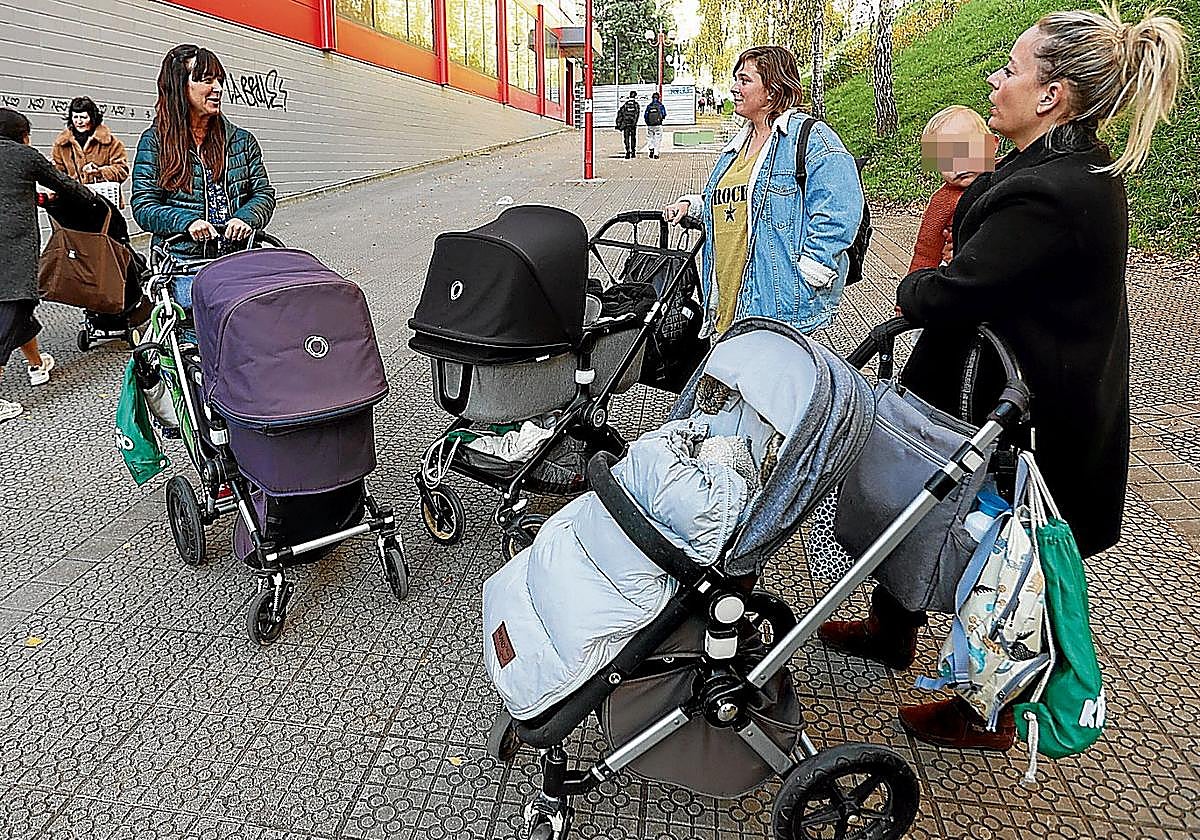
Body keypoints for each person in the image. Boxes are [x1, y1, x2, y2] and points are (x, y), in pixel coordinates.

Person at [819, 2, 1186, 751]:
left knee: (1010, 550)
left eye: (1010, 69)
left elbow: (961, 287)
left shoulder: (1054, 191)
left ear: (1051, 94)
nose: (995, 79)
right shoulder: (1056, 167)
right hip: (994, 383)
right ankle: (894, 626)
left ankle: (992, 710)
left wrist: (911, 290)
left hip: (1034, 408)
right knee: (923, 491)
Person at [663, 45, 863, 336]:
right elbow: (740, 199)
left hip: (777, 307)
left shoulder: (809, 137)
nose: (734, 88)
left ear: (772, 90)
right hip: (728, 303)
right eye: (736, 79)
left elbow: (840, 210)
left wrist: (810, 272)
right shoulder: (738, 145)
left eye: (744, 80)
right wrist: (693, 207)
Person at [132, 44, 276, 307]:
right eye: (207, 80)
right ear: (179, 86)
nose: (217, 88)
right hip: (184, 262)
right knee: (205, 312)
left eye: (219, 80)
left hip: (240, 257)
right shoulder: (154, 142)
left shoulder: (242, 141)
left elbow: (264, 194)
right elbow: (144, 206)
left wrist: (245, 218)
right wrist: (187, 222)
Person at [0, 108, 103, 421]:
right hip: (13, 248)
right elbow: (64, 184)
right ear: (22, 136)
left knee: (20, 314)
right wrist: (93, 200)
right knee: (13, 307)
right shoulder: (24, 155)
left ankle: (36, 364)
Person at [909, 105, 996, 272]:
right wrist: (914, 283)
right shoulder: (943, 201)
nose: (959, 166)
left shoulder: (1010, 177)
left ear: (992, 146)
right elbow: (926, 251)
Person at [51, 96, 129, 191]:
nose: (79, 121)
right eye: (75, 117)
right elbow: (58, 174)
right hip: (73, 197)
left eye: (83, 117)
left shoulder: (111, 143)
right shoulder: (61, 144)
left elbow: (122, 171)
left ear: (92, 118)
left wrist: (100, 172)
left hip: (103, 196)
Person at [615, 91, 640, 159]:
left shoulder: (625, 105)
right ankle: (633, 152)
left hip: (626, 124)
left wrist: (619, 124)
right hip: (633, 125)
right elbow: (637, 115)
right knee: (633, 138)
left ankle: (627, 152)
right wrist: (634, 123)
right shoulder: (636, 105)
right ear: (635, 96)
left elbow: (620, 113)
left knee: (626, 139)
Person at [645, 92, 667, 159]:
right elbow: (664, 114)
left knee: (650, 137)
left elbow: (645, 115)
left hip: (650, 125)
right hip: (658, 124)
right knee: (658, 138)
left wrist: (648, 122)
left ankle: (651, 148)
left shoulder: (649, 106)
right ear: (658, 98)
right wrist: (660, 119)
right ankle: (656, 153)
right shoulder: (660, 106)